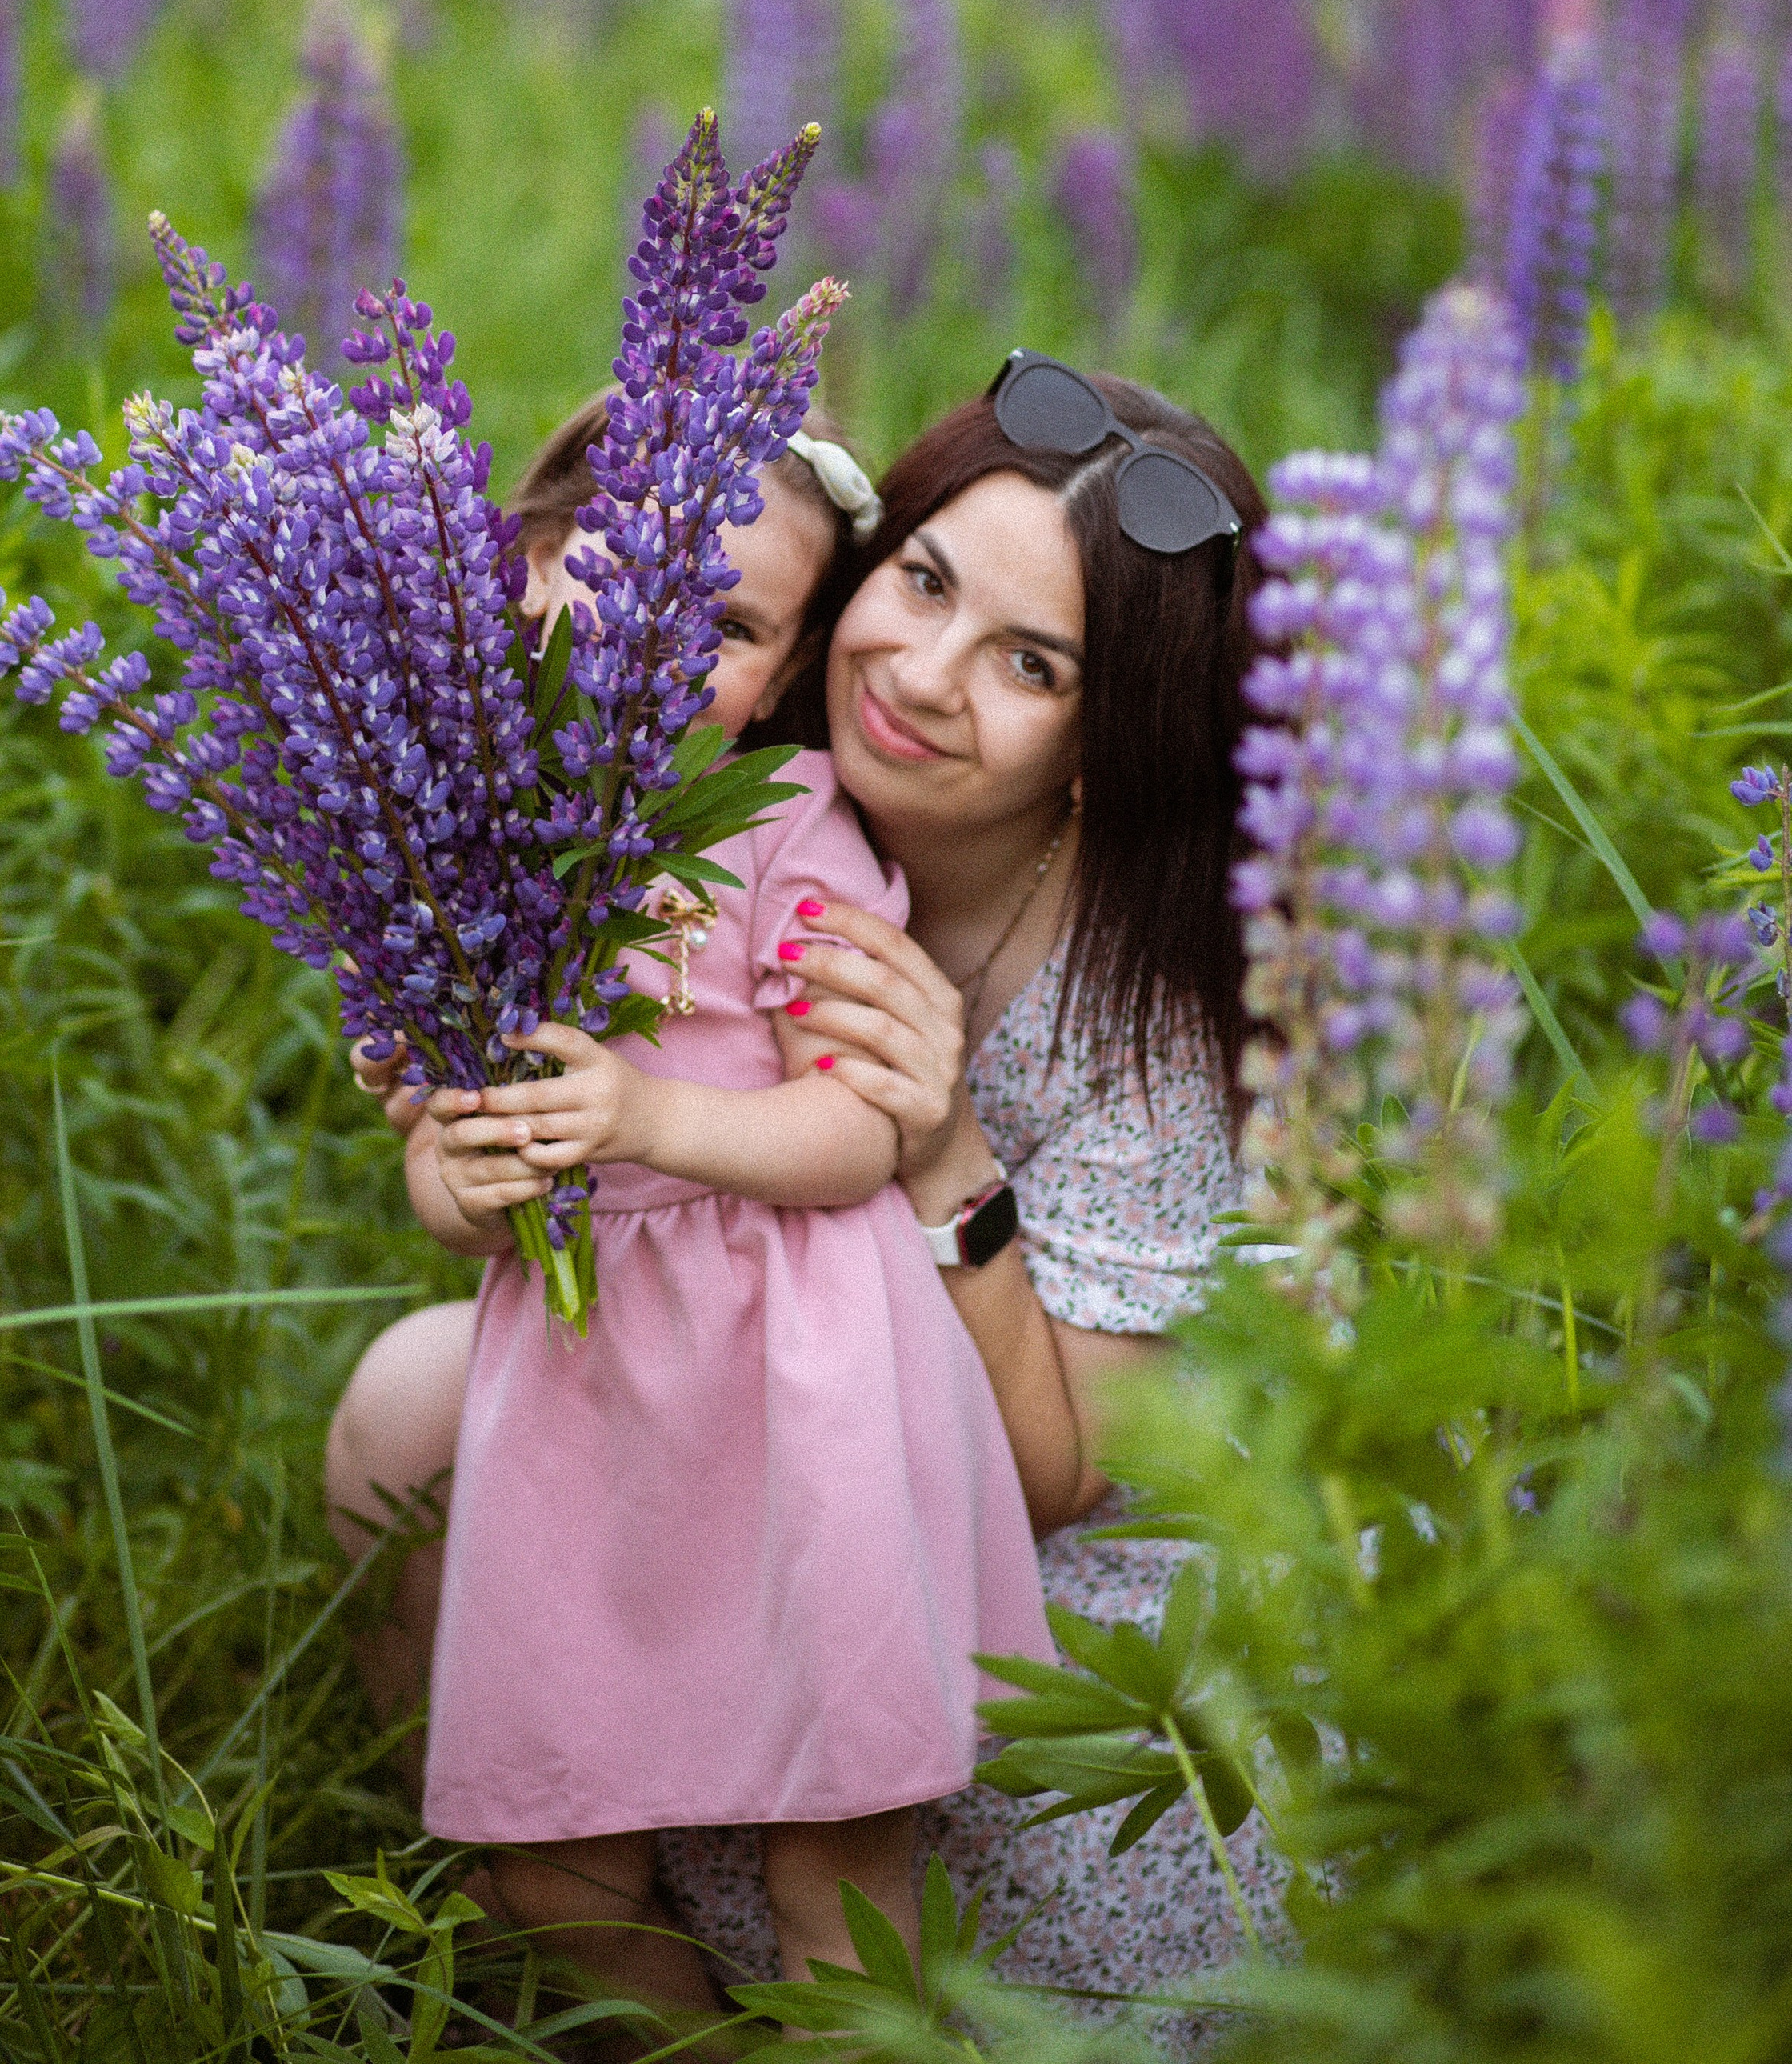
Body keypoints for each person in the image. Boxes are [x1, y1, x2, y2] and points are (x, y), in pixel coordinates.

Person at [329, 356, 1280, 2044]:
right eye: (917, 583)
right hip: (709, 1421)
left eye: (1029, 661)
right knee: (411, 1404)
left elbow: (1058, 1478)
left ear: (1098, 739)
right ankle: (574, 1938)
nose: (919, 672)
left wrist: (938, 1156)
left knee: (848, 1848)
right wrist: (467, 1142)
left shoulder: (1146, 1003)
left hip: (1024, 1578)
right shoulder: (689, 795)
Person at [357, 391, 1050, 2002]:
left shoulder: (775, 829)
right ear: (522, 565)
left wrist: (652, 1112)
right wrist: (456, 1184)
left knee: (834, 1869)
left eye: (724, 621)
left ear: (772, 684)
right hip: (587, 1416)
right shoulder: (461, 849)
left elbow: (860, 1131)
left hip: (796, 1394)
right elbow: (450, 1173)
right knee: (546, 1857)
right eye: (619, 570)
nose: (652, 642)